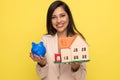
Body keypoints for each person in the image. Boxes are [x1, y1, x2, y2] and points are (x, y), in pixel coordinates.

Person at [30, 0, 87, 80]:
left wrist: (75, 68)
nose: (59, 20)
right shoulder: (45, 40)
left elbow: (82, 78)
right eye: (54, 17)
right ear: (50, 20)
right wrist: (42, 64)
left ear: (69, 17)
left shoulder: (78, 40)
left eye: (62, 15)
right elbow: (41, 75)